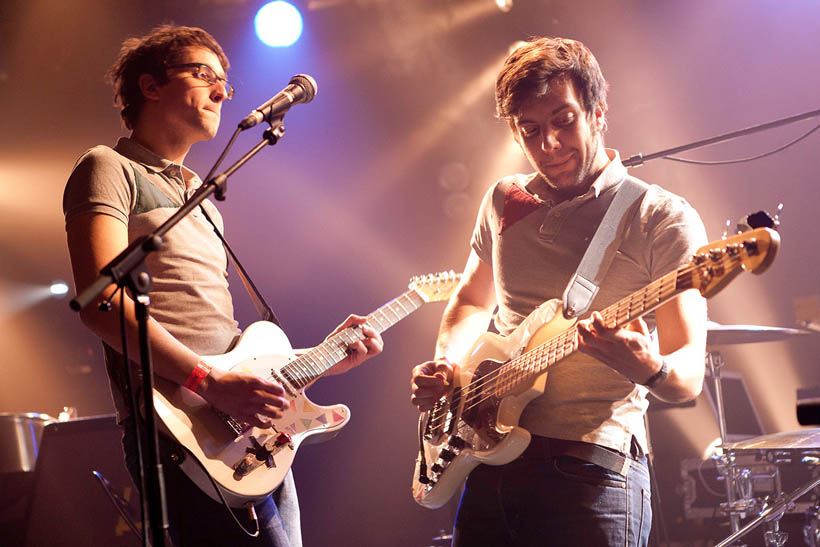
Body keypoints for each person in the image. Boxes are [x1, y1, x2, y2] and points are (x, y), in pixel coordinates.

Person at [63, 25, 383, 547]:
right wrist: (208, 384)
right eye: (203, 74)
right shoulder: (109, 167)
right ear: (151, 86)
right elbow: (100, 301)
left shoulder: (202, 199)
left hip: (245, 432)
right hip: (178, 433)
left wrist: (323, 356)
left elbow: (228, 344)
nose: (220, 91)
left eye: (224, 83)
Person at [410, 37, 708, 546]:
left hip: (591, 470)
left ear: (597, 112)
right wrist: (449, 367)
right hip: (486, 459)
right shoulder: (504, 200)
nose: (548, 144)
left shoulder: (660, 216)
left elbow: (687, 377)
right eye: (530, 130)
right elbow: (470, 300)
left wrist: (648, 367)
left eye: (563, 120)